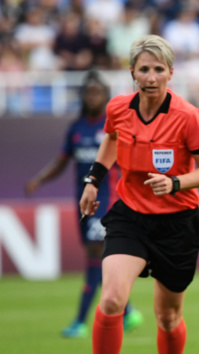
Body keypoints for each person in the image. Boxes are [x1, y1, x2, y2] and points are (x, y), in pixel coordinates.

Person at [79, 34, 199, 354]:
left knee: (168, 317)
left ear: (171, 73)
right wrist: (92, 180)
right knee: (113, 300)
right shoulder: (118, 107)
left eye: (158, 69)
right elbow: (111, 140)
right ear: (132, 72)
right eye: (144, 69)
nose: (151, 77)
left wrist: (175, 183)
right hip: (130, 215)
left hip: (177, 223)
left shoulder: (188, 116)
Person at [26, 70, 143, 338]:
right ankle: (127, 311)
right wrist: (39, 179)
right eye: (88, 92)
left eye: (97, 92)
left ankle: (80, 322)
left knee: (95, 257)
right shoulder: (77, 128)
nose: (92, 96)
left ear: (104, 96)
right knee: (97, 258)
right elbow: (61, 161)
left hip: (106, 202)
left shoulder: (113, 126)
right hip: (81, 201)